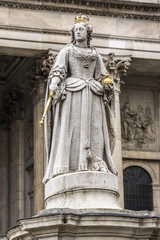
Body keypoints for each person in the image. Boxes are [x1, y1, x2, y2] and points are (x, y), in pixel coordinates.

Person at [42, 14, 117, 184]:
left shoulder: (95, 54)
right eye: (76, 30)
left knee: (95, 128)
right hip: (73, 94)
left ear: (88, 33)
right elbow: (59, 70)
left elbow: (102, 75)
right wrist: (54, 83)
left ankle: (96, 160)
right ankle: (69, 163)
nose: (78, 32)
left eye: (81, 29)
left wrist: (107, 85)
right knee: (72, 127)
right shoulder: (67, 51)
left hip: (92, 93)